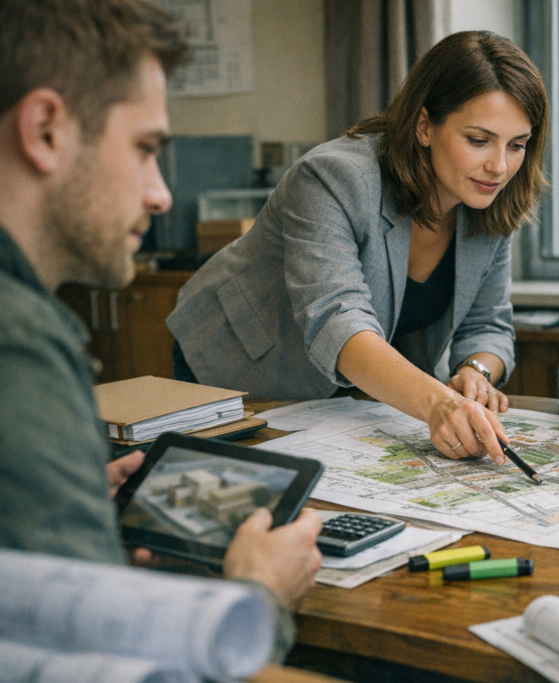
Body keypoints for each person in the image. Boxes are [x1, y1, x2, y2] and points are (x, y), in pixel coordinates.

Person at [0, 0, 322, 660]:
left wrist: (78, 508)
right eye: (145, 149)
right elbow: (99, 664)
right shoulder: (21, 343)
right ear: (45, 130)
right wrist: (257, 594)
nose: (161, 193)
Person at [168, 30, 549, 466]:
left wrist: (475, 372)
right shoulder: (333, 177)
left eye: (517, 145)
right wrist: (439, 402)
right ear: (425, 126)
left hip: (350, 398)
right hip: (241, 367)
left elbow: (489, 324)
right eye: (479, 141)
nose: (499, 166)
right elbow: (337, 320)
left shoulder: (491, 199)